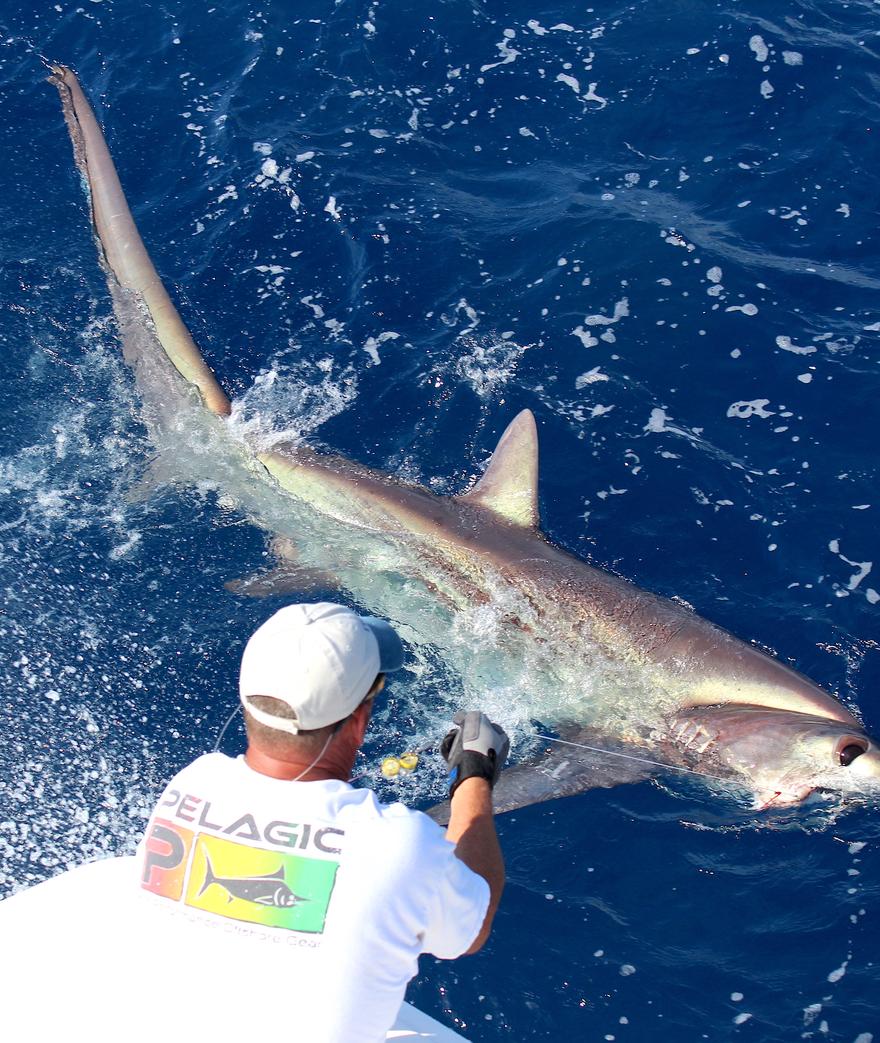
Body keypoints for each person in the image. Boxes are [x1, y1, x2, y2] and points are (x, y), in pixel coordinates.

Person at [135, 601, 509, 1042]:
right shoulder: (396, 843)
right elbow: (470, 929)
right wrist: (475, 775)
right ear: (359, 719)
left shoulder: (189, 786)